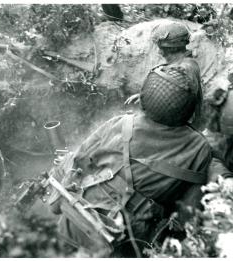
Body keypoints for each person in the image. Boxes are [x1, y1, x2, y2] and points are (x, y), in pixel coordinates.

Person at [47, 64, 213, 257]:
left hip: (83, 217)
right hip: (130, 238)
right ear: (189, 110)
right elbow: (188, 211)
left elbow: (79, 161)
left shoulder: (121, 124)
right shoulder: (200, 148)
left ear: (144, 99)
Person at [125, 21, 203, 129]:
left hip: (179, 126)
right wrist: (145, 96)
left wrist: (148, 100)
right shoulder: (187, 63)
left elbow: (174, 100)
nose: (159, 52)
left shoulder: (182, 69)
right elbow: (175, 90)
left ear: (171, 49)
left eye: (161, 48)